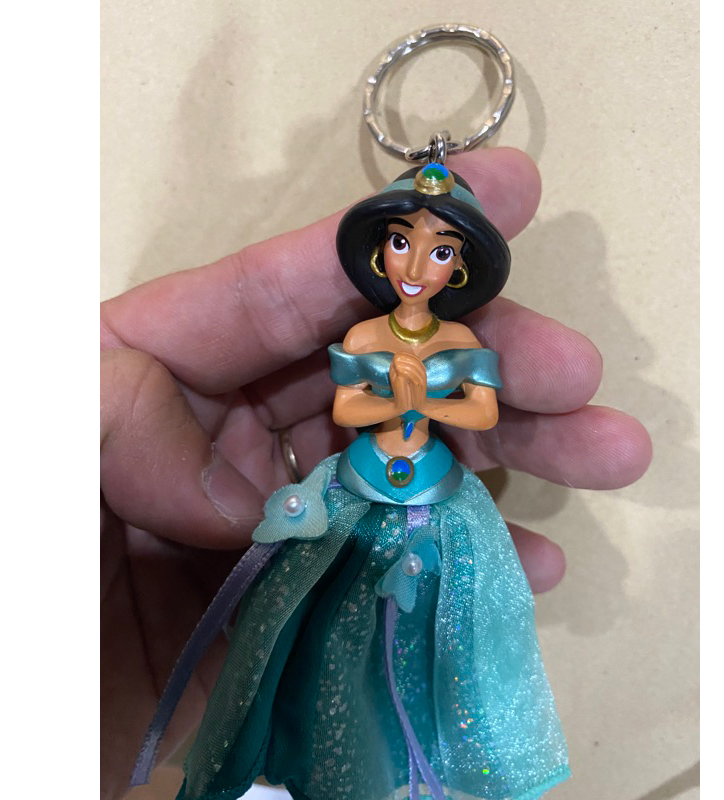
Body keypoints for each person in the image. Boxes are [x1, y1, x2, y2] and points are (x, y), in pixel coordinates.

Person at [100, 147, 652, 800]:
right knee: (320, 618)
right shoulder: (365, 338)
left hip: (434, 488)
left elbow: (480, 412)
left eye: (439, 251)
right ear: (379, 251)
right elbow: (348, 407)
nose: (415, 268)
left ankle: (418, 759)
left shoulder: (461, 342)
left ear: (460, 267)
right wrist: (401, 396)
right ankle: (315, 744)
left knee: (447, 624)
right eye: (400, 242)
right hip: (358, 485)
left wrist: (423, 401)